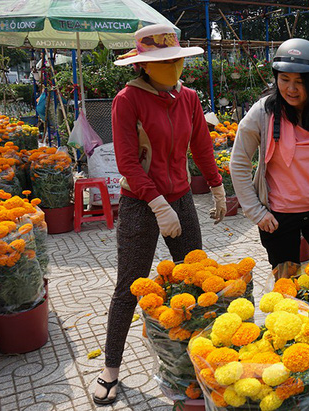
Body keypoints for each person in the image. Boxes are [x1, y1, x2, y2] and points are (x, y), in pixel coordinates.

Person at [93, 24, 227, 405]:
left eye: (175, 59)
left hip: (182, 199)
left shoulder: (189, 98)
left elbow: (201, 145)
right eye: (163, 61)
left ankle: (200, 358)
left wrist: (216, 185)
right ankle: (111, 369)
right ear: (144, 66)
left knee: (198, 281)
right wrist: (155, 202)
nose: (172, 65)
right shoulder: (127, 100)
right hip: (141, 204)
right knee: (129, 287)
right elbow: (127, 162)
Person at [229, 38, 309, 270]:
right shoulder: (262, 113)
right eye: (284, 79)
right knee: (285, 287)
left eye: (300, 82)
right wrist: (256, 212)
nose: (291, 88)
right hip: (279, 217)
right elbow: (239, 162)